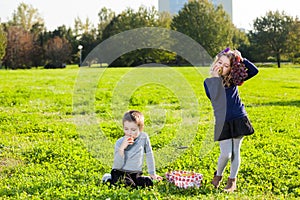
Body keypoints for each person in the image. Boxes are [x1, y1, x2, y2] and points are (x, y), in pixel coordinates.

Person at [204, 48, 259, 192]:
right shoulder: (209, 82)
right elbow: (214, 97)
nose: (221, 66)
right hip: (223, 122)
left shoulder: (234, 79)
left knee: (235, 152)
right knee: (225, 154)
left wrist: (241, 59)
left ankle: (232, 181)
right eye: (220, 62)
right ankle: (218, 176)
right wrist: (216, 77)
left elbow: (254, 71)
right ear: (216, 62)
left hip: (238, 118)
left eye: (226, 65)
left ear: (231, 69)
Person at [103, 110, 162, 188]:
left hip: (136, 173)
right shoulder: (120, 142)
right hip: (120, 172)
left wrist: (152, 173)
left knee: (148, 183)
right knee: (129, 186)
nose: (129, 132)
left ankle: (139, 180)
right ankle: (108, 178)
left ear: (140, 129)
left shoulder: (144, 138)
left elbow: (149, 155)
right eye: (126, 129)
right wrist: (122, 148)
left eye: (133, 130)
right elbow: (117, 164)